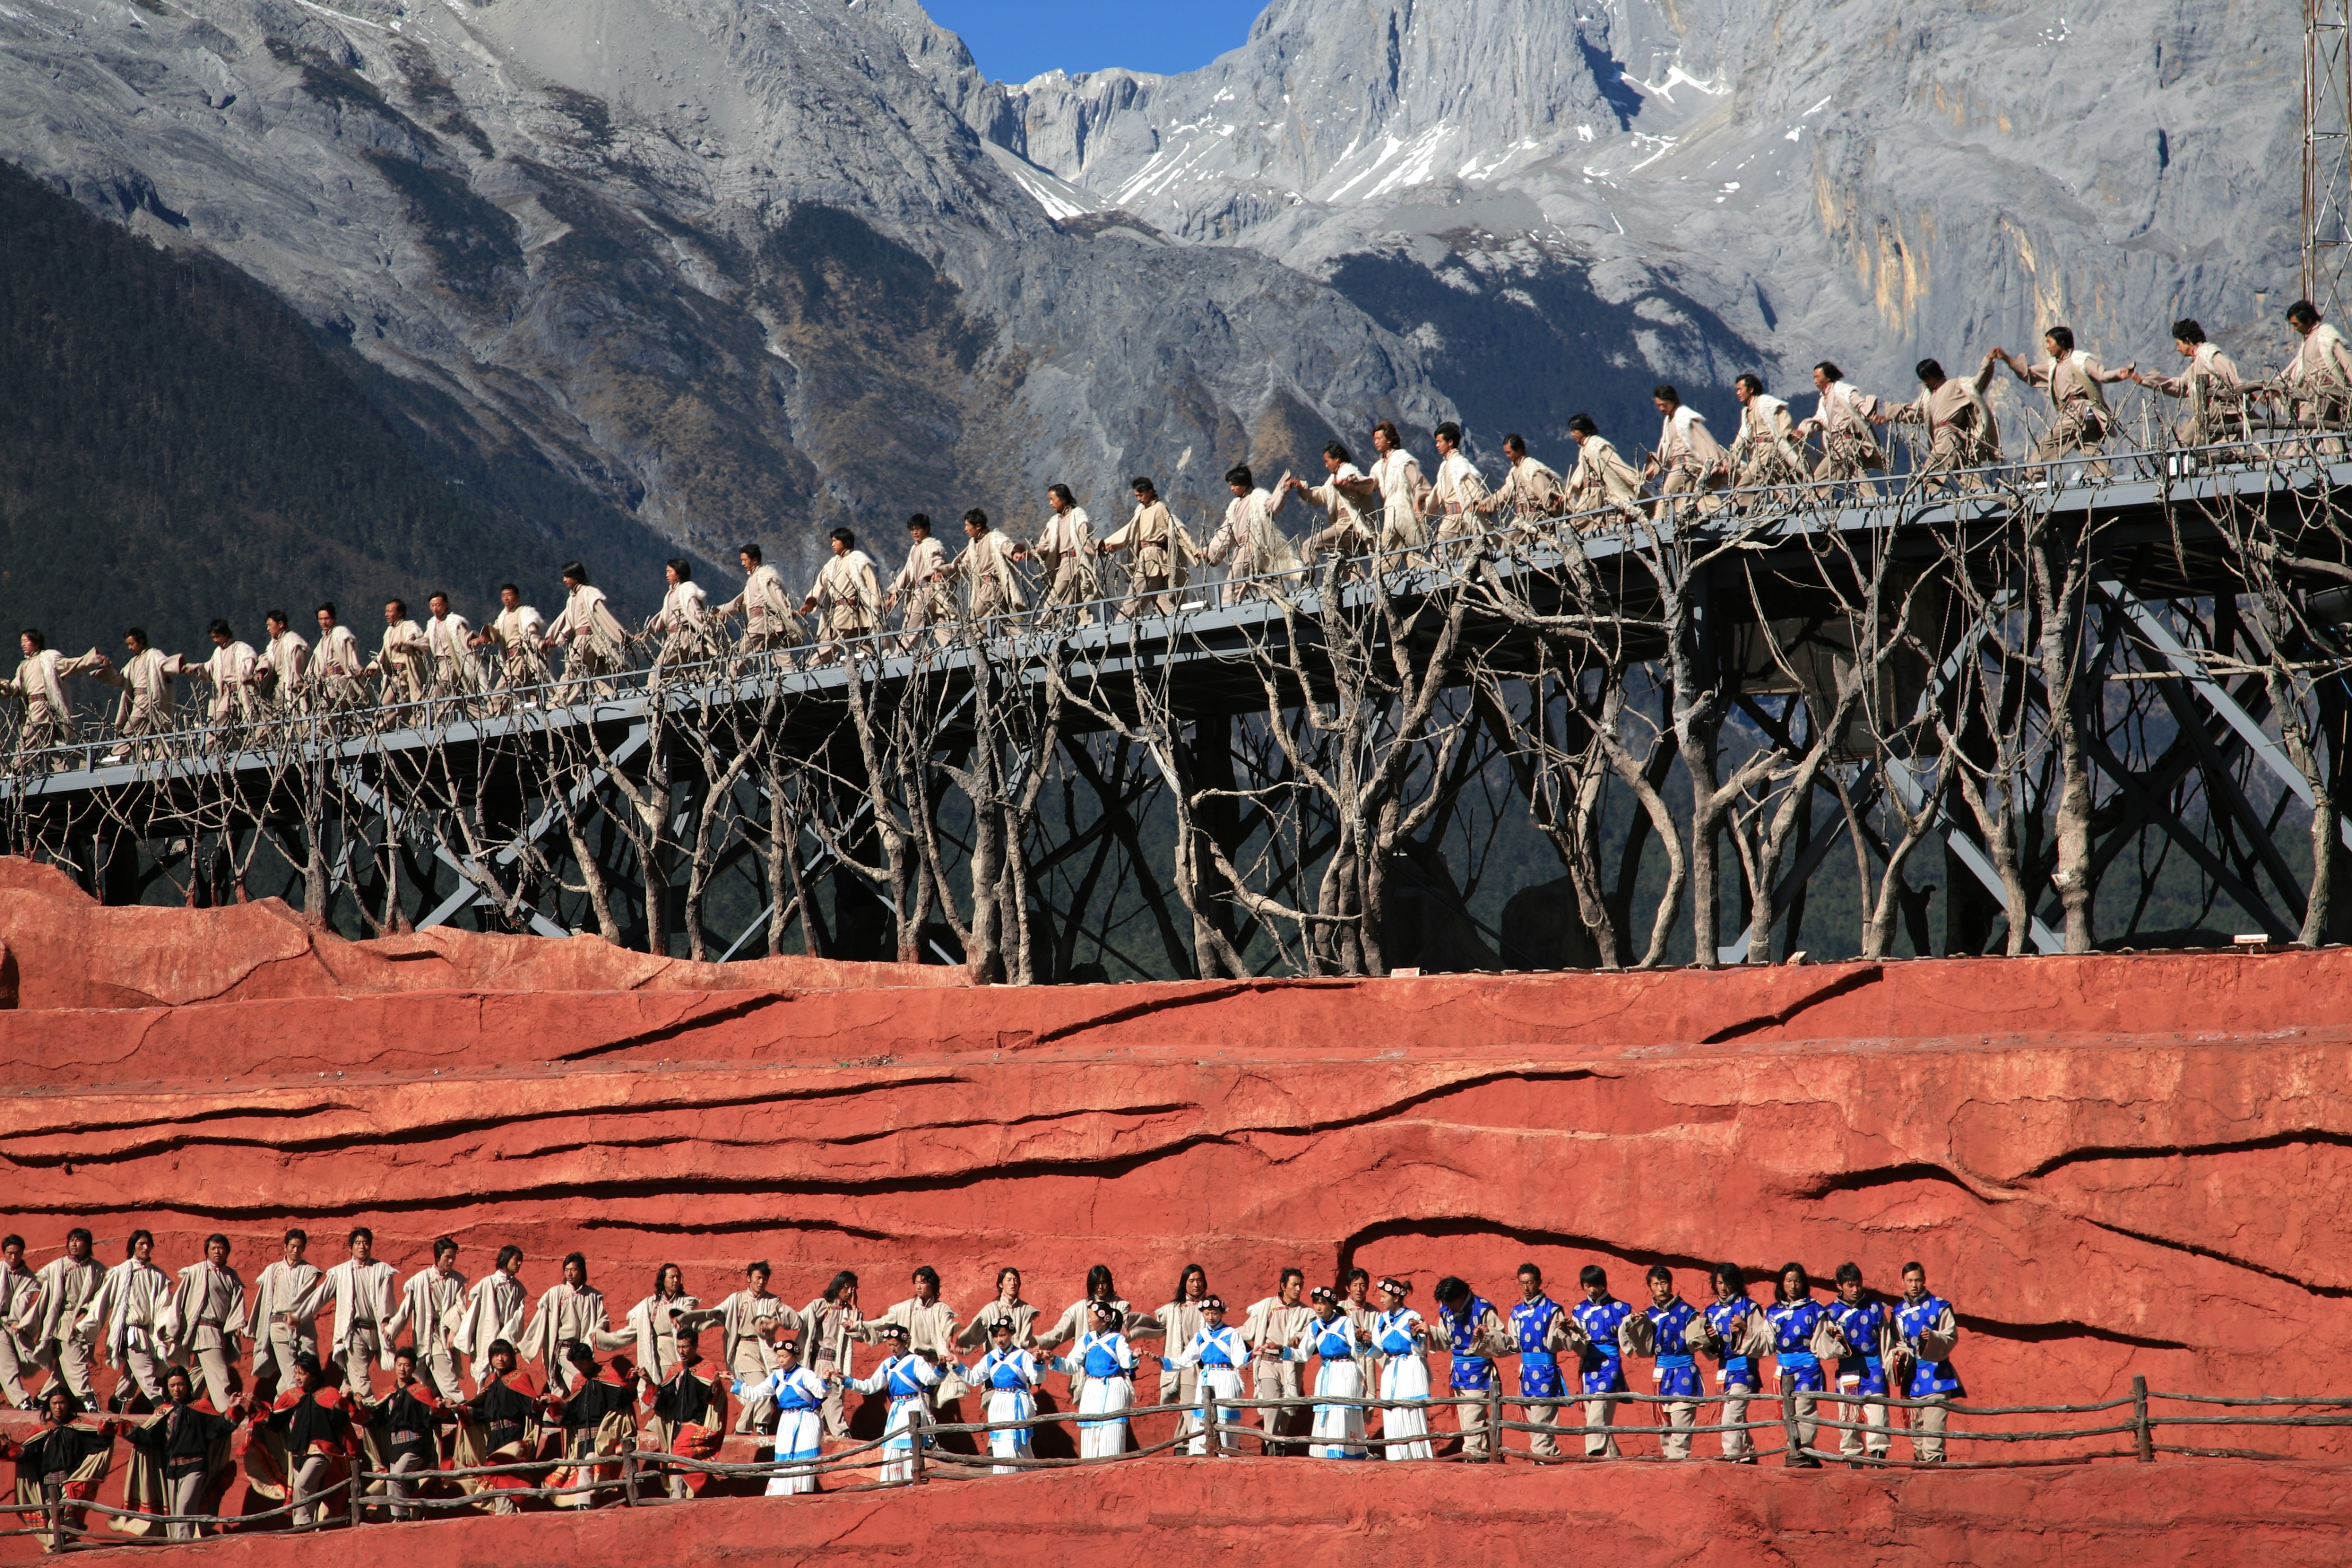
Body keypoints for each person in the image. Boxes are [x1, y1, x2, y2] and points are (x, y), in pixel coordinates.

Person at [1989, 327, 2134, 475]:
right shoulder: (2054, 366)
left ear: (2062, 342)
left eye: (2049, 342)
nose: (2047, 347)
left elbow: (2102, 375)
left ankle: (2033, 479)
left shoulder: (2079, 361)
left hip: (2077, 413)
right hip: (2080, 415)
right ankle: (2109, 479)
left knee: (2048, 446)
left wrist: (2119, 374)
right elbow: (2029, 374)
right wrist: (2006, 358)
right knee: (2090, 451)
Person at [116, 1365, 235, 1539]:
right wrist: (121, 1428)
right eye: (172, 1386)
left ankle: (183, 1546)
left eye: (180, 1384)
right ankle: (178, 1544)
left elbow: (219, 1428)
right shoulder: (164, 1411)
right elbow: (150, 1439)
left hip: (195, 1467)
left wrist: (233, 1410)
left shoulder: (201, 1407)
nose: (177, 1389)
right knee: (174, 1514)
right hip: (171, 1469)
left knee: (185, 1509)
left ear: (187, 1385)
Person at [5, 1388, 123, 1551]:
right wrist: (9, 1448)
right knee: (53, 1515)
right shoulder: (42, 1429)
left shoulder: (81, 1425)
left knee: (68, 1513)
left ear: (69, 1404)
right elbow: (28, 1454)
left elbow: (98, 1444)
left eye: (62, 1403)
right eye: (54, 1403)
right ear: (49, 1406)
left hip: (74, 1478)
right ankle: (59, 1549)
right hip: (49, 1483)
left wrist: (106, 1433)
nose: (58, 1407)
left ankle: (59, 1546)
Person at [78, 1229, 172, 1411]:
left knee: (132, 1374)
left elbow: (164, 1305)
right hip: (131, 1333)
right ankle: (161, 1405)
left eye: (148, 1244)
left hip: (148, 1332)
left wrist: (165, 1328)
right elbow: (102, 1300)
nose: (145, 1247)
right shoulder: (121, 1272)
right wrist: (87, 1323)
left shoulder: (158, 1275)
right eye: (141, 1244)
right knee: (146, 1371)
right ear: (133, 1247)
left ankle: (117, 1401)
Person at [302, 1226, 397, 1400]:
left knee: (351, 1378)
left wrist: (386, 1321)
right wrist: (299, 1314)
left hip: (375, 1332)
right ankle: (369, 1408)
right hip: (353, 1332)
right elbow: (320, 1296)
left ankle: (341, 1405)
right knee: (360, 1377)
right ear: (350, 1248)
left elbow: (387, 1300)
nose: (362, 1246)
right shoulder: (340, 1272)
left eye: (366, 1243)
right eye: (358, 1243)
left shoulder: (382, 1270)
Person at [1877, 358, 2001, 487]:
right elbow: (1914, 412)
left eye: (1926, 379)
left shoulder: (1956, 385)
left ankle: (1922, 498)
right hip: (1947, 438)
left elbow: (1977, 383)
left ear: (1934, 375)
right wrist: (1888, 416)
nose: (1925, 383)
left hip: (1949, 437)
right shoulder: (1929, 397)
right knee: (1968, 476)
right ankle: (1992, 497)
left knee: (1928, 478)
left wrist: (1987, 363)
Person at [355, 1347, 447, 1521]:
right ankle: (407, 1518)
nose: (402, 1369)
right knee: (398, 1484)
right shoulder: (387, 1393)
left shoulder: (422, 1391)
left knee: (394, 1479)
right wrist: (360, 1406)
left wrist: (437, 1407)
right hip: (395, 1448)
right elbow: (376, 1420)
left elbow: (430, 1418)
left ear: (413, 1368)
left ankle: (401, 1518)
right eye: (399, 1364)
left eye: (407, 1365)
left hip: (415, 1446)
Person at [265, 1353, 355, 1529]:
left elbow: (339, 1422)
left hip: (321, 1451)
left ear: (313, 1374)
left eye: (303, 1373)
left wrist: (345, 1402)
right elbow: (275, 1423)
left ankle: (302, 1524)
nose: (298, 1377)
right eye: (296, 1373)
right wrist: (255, 1407)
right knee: (308, 1492)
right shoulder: (292, 1396)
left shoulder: (330, 1394)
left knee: (302, 1485)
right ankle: (312, 1529)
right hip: (298, 1452)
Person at [844, 1323, 941, 1483]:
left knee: (911, 1447)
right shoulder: (887, 1364)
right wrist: (846, 1381)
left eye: (895, 1344)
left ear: (905, 1342)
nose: (893, 1348)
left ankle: (911, 1481)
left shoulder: (916, 1361)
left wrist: (941, 1368)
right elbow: (870, 1386)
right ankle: (894, 1484)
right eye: (889, 1345)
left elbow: (930, 1379)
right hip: (897, 1410)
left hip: (913, 1406)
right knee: (893, 1447)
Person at [451, 1338, 539, 1515]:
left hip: (513, 1435)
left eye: (504, 1354)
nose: (500, 1359)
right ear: (491, 1358)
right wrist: (461, 1409)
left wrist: (539, 1405)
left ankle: (506, 1515)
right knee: (498, 1479)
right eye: (496, 1355)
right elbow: (484, 1413)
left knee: (501, 1473)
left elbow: (530, 1406)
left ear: (511, 1357)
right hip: (495, 1437)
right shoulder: (490, 1382)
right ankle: (508, 1515)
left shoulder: (520, 1378)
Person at [543, 1342, 636, 1509]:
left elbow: (621, 1399)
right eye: (575, 1365)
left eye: (581, 1363)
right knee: (584, 1467)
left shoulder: (608, 1375)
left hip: (603, 1433)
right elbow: (572, 1411)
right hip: (582, 1436)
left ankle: (582, 1503)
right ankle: (589, 1503)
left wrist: (631, 1381)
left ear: (589, 1359)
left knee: (589, 1466)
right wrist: (554, 1403)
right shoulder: (578, 1381)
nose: (578, 1368)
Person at [1032, 1264, 1134, 1415]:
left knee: (1114, 1422)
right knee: (1091, 1422)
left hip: (1114, 1379)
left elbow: (1123, 1332)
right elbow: (1059, 1332)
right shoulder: (1079, 1309)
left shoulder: (1121, 1306)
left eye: (1104, 1283)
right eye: (1097, 1283)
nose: (1100, 1287)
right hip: (1088, 1378)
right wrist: (1036, 1344)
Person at [163, 1233, 246, 1415]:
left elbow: (237, 1304)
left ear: (227, 1251)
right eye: (213, 1248)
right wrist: (173, 1328)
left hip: (219, 1332)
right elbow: (179, 1301)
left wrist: (238, 1323)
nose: (217, 1252)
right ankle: (227, 1414)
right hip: (204, 1331)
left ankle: (174, 1410)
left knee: (196, 1378)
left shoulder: (232, 1276)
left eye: (221, 1248)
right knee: (220, 1376)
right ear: (207, 1251)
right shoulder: (196, 1272)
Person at [641, 1325, 728, 1499]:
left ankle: (677, 1500)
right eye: (679, 1347)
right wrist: (648, 1382)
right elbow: (665, 1401)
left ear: (695, 1346)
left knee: (680, 1458)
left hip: (695, 1426)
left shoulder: (708, 1368)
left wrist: (716, 1385)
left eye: (686, 1347)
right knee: (678, 1463)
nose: (681, 1351)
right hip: (677, 1428)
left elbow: (713, 1400)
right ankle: (682, 1500)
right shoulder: (676, 1369)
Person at [1890, 1261, 1964, 1464]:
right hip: (1912, 1379)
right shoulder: (1897, 1312)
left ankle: (1936, 1470)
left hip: (1937, 1377)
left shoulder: (1940, 1306)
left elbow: (1950, 1336)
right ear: (1903, 1282)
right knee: (1917, 1439)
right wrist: (1900, 1356)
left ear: (1924, 1280)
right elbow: (1897, 1343)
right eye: (1909, 1281)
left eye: (1918, 1280)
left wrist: (1933, 1337)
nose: (1914, 1285)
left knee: (1933, 1435)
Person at [2134, 319, 2245, 452]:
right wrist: (2146, 381)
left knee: (2181, 447)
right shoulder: (2196, 363)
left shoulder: (2208, 355)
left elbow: (2231, 375)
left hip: (2215, 412)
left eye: (2179, 344)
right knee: (2208, 450)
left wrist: (2245, 393)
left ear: (2187, 340)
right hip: (2212, 414)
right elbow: (2182, 387)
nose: (2178, 349)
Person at [862, 1265, 964, 1411]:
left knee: (925, 1403)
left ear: (932, 1284)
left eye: (923, 1282)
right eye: (916, 1283)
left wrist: (949, 1339)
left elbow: (947, 1326)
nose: (918, 1286)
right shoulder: (904, 1308)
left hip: (930, 1364)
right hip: (910, 1363)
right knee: (905, 1400)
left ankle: (924, 1426)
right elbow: (884, 1322)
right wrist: (860, 1326)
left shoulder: (941, 1309)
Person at [713, 1260, 794, 1434]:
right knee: (762, 1385)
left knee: (761, 1389)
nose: (761, 1282)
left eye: (764, 1279)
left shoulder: (773, 1301)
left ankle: (742, 1428)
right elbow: (716, 1314)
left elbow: (790, 1319)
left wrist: (776, 1323)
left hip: (766, 1349)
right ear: (749, 1278)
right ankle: (761, 1423)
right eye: (758, 1278)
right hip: (745, 1349)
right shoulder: (737, 1299)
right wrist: (690, 1320)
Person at [1431, 1275, 1507, 1459]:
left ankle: (1474, 1458)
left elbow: (1502, 1342)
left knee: (1474, 1423)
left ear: (1461, 1296)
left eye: (1451, 1304)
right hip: (1459, 1374)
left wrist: (1486, 1335)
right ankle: (1480, 1457)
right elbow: (1445, 1339)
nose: (1449, 1308)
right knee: (1467, 1424)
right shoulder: (1446, 1311)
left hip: (1479, 1374)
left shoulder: (1483, 1310)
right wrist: (1427, 1331)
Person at [1287, 1287, 1368, 1459]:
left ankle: (1344, 1453)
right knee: (1326, 1409)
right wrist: (1283, 1351)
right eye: (1316, 1303)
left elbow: (1357, 1352)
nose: (1318, 1307)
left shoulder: (1345, 1322)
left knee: (1342, 1409)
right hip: (1327, 1372)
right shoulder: (1314, 1326)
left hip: (1346, 1370)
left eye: (1322, 1303)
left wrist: (1360, 1341)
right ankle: (1324, 1453)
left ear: (1332, 1305)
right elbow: (1303, 1354)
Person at [1766, 1261, 1833, 1467]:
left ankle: (1804, 1451)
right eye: (1789, 1281)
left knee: (1804, 1410)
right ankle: (1795, 1450)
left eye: (1797, 1281)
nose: (1793, 1286)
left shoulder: (1815, 1309)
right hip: (1784, 1370)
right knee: (1788, 1411)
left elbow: (1823, 1340)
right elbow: (1766, 1342)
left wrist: (1834, 1337)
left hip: (1807, 1368)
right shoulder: (1772, 1312)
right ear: (1782, 1283)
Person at [1633, 1266, 1703, 1460]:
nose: (1661, 1288)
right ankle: (1669, 1462)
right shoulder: (1648, 1315)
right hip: (1662, 1373)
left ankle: (1677, 1461)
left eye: (1664, 1283)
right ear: (1650, 1287)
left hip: (1684, 1370)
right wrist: (1635, 1325)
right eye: (1656, 1284)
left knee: (1682, 1420)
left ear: (1670, 1284)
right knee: (1664, 1425)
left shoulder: (1688, 1312)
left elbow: (1700, 1341)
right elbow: (1643, 1348)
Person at [384, 1236, 467, 1401]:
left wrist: (453, 1332)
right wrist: (391, 1329)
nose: (451, 1261)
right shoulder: (420, 1280)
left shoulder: (457, 1280)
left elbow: (461, 1308)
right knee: (425, 1382)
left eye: (453, 1257)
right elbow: (406, 1308)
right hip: (424, 1334)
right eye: (447, 1257)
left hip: (443, 1336)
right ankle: (431, 1413)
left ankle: (460, 1410)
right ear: (437, 1256)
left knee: (446, 1379)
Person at [1699, 1261, 1767, 1462]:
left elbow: (1763, 1341)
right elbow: (1712, 1352)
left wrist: (1745, 1328)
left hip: (1745, 1368)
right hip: (1724, 1371)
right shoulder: (1710, 1312)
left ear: (1736, 1282)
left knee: (1731, 1414)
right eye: (1720, 1282)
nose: (1723, 1287)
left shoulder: (1749, 1307)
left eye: (1727, 1282)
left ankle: (1732, 1455)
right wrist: (1710, 1339)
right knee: (1737, 1415)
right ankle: (1748, 1453)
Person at [518, 1253, 609, 1399]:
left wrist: (597, 1332)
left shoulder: (592, 1296)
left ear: (582, 1271)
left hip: (581, 1349)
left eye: (573, 1270)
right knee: (581, 1380)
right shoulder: (556, 1293)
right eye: (566, 1270)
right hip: (562, 1349)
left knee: (562, 1391)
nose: (569, 1274)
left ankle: (550, 1413)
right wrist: (524, 1344)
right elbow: (540, 1319)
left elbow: (602, 1319)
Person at [1829, 1263, 1894, 1467]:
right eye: (1850, 1285)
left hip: (1874, 1370)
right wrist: (1837, 1341)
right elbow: (1824, 1348)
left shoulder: (1875, 1309)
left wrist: (1890, 1366)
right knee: (1849, 1421)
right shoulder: (1830, 1313)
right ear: (1840, 1285)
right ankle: (1854, 1464)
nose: (1855, 1289)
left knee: (1878, 1416)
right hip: (1847, 1371)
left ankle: (1877, 1461)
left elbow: (1887, 1343)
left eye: (1858, 1284)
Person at [1097, 477, 1193, 615]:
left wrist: (1194, 550)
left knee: (1134, 597)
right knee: (1160, 599)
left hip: (1152, 558)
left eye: (1141, 495)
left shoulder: (1160, 508)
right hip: (1146, 557)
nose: (1139, 499)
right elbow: (1130, 531)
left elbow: (1177, 529)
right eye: (1136, 496)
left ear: (1150, 492)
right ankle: (1178, 620)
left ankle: (1120, 624)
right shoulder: (1141, 511)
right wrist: (1111, 544)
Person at [962, 1317, 1046, 1472]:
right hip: (998, 1403)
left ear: (1011, 1334)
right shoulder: (990, 1358)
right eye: (995, 1336)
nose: (999, 1340)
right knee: (1001, 1442)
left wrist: (1038, 1364)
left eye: (1003, 1335)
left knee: (1017, 1443)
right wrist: (957, 1366)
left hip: (1018, 1402)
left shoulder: (1023, 1356)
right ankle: (1003, 1475)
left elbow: (1036, 1379)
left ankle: (1022, 1474)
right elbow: (974, 1378)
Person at [1167, 1295, 1250, 1455]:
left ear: (1222, 1313)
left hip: (1226, 1377)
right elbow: (1186, 1360)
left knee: (1224, 1416)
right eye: (1207, 1314)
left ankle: (1226, 1454)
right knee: (1203, 1416)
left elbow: (1239, 1360)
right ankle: (1200, 1454)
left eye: (1214, 1313)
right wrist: (1162, 1361)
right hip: (1207, 1377)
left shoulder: (1232, 1334)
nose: (1211, 1317)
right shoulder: (1201, 1336)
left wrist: (1252, 1355)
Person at [31, 1229, 105, 1408]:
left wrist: (85, 1312)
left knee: (63, 1370)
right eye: (72, 1240)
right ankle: (89, 1401)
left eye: (78, 1240)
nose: (74, 1244)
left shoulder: (97, 1269)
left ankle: (41, 1400)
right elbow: (34, 1281)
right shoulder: (58, 1266)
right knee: (76, 1362)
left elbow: (101, 1296)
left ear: (87, 1244)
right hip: (64, 1321)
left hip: (84, 1321)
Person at [1241, 1269, 1312, 1455]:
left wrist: (1298, 1338)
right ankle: (1269, 1448)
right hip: (1268, 1363)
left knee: (1286, 1412)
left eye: (1301, 1285)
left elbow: (1309, 1334)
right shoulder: (1266, 1306)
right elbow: (1247, 1331)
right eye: (1294, 1284)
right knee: (1272, 1406)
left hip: (1291, 1366)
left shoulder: (1307, 1313)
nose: (1298, 1289)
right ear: (1283, 1286)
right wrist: (1225, 1334)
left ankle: (1279, 1450)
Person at [1793, 362, 1889, 498]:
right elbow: (1820, 420)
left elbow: (1859, 404)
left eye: (1817, 377)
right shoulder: (1825, 399)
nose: (1815, 381)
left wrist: (1871, 414)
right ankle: (1876, 501)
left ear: (1828, 377)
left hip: (1844, 443)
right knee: (1858, 476)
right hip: (1842, 444)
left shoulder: (1842, 391)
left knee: (1821, 479)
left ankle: (1814, 504)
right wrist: (1803, 430)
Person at [1505, 1263, 1570, 1459]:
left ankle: (1542, 1459)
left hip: (1545, 1371)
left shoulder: (1552, 1310)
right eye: (1522, 1283)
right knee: (1533, 1422)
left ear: (1539, 1282)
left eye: (1530, 1282)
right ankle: (1547, 1457)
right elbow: (1512, 1342)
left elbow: (1559, 1340)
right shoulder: (1516, 1312)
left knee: (1543, 1421)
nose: (1526, 1288)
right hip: (1526, 1372)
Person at [1566, 1264, 1633, 1458]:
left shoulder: (1621, 1308)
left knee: (1600, 1404)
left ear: (1604, 1284)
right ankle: (1612, 1454)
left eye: (1595, 1285)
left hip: (1609, 1362)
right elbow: (1576, 1339)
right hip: (1588, 1364)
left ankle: (1593, 1452)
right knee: (1595, 1413)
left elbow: (1631, 1337)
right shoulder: (1579, 1310)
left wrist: (1635, 1322)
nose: (1592, 1289)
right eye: (1587, 1285)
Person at [3, 631, 103, 758]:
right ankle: (72, 765)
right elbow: (15, 688)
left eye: (26, 641)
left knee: (26, 742)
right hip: (31, 708)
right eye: (22, 641)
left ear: (37, 643)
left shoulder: (48, 658)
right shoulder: (23, 666)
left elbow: (70, 664)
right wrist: (3, 686)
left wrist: (92, 658)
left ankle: (16, 768)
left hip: (43, 705)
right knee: (50, 751)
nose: (23, 644)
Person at [601, 1261, 702, 1385]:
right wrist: (606, 1339)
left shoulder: (687, 1300)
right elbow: (634, 1329)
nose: (676, 1280)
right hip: (658, 1351)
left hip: (678, 1347)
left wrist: (678, 1316)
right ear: (663, 1280)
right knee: (662, 1385)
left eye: (678, 1277)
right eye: (672, 1277)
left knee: (681, 1383)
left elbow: (686, 1313)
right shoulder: (649, 1304)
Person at [92, 628, 181, 760]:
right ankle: (164, 756)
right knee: (154, 732)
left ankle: (116, 756)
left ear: (142, 642)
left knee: (130, 729)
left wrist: (179, 665)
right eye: (128, 644)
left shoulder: (154, 655)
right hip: (137, 699)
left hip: (148, 698)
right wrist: (108, 668)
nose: (130, 648)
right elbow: (121, 679)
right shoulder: (133, 662)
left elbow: (165, 664)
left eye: (132, 644)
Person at [1063, 1300, 1136, 1459]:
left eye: (1092, 1317)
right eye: (1088, 1316)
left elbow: (1126, 1361)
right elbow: (1071, 1365)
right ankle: (1090, 1467)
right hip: (1092, 1388)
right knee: (1090, 1432)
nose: (1089, 1320)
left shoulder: (1117, 1339)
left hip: (1114, 1388)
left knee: (1112, 1430)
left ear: (1105, 1320)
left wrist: (1134, 1357)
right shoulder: (1087, 1340)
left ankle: (1112, 1467)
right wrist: (1055, 1360)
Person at [1013, 485, 1100, 620]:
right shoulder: (1054, 523)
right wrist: (1030, 554)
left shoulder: (1078, 517)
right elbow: (1044, 545)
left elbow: (1085, 539)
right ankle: (1085, 624)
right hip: (1063, 563)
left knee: (1054, 598)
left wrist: (1098, 546)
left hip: (1073, 561)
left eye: (1053, 499)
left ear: (1063, 499)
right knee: (1077, 600)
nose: (1051, 503)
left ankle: (1044, 625)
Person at [796, 1270, 864, 1440]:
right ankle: (843, 1433)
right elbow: (801, 1319)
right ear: (838, 1286)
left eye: (853, 1288)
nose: (850, 1292)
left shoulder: (850, 1312)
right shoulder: (823, 1305)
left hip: (838, 1361)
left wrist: (854, 1308)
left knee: (822, 1401)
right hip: (822, 1360)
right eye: (847, 1287)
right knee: (831, 1392)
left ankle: (820, 1437)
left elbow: (859, 1334)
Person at [544, 562, 630, 695]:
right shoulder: (572, 599)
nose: (564, 580)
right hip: (579, 640)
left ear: (576, 576)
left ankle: (558, 702)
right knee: (587, 675)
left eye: (567, 576)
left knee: (572, 670)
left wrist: (622, 636)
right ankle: (609, 695)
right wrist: (556, 641)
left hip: (586, 640)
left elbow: (603, 616)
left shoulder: (588, 593)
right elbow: (568, 623)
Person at [2274, 297, 2352, 444]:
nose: (2295, 329)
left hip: (2324, 392)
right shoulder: (2309, 341)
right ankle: (2338, 454)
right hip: (2315, 393)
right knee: (2329, 434)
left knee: (2305, 432)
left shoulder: (2325, 337)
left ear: (2308, 319)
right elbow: (2294, 367)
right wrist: (2277, 385)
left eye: (2296, 324)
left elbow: (2347, 362)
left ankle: (2292, 456)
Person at [1368, 1277, 1430, 1461]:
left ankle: (1417, 1457)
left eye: (1384, 1296)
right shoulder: (1382, 1320)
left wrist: (1415, 1336)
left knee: (1411, 1411)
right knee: (1392, 1413)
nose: (1381, 1300)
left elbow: (1421, 1351)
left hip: (1411, 1368)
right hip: (1391, 1369)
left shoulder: (1414, 1317)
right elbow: (1377, 1351)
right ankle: (1395, 1457)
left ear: (1396, 1297)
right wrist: (1366, 1343)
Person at [1643, 385, 1729, 516]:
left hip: (1685, 465)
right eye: (1659, 405)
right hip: (1680, 466)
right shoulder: (1670, 421)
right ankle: (1716, 516)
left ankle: (1659, 523)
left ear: (1673, 401)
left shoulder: (1684, 417)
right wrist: (1655, 468)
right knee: (1692, 498)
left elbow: (1706, 439)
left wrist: (1719, 460)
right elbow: (1666, 452)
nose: (1661, 409)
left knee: (1667, 494)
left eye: (1664, 405)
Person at [759, 1334, 829, 1496]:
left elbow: (821, 1391)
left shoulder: (805, 1374)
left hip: (807, 1419)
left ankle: (802, 1493)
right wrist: (734, 1383)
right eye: (778, 1356)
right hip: (787, 1419)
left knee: (804, 1459)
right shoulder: (776, 1377)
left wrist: (826, 1381)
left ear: (794, 1357)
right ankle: (779, 1494)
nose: (780, 1360)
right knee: (783, 1459)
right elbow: (757, 1393)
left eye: (784, 1356)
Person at [453, 1245, 528, 1392]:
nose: (519, 1263)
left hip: (506, 1334)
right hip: (486, 1332)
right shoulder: (489, 1283)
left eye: (521, 1260)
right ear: (505, 1259)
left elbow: (518, 1316)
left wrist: (508, 1336)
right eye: (516, 1260)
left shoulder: (518, 1288)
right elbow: (475, 1311)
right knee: (485, 1372)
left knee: (505, 1371)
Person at [715, 543, 806, 663]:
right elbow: (740, 602)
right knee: (781, 657)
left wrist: (788, 612)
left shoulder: (765, 576)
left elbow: (777, 595)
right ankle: (792, 674)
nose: (743, 564)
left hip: (760, 622)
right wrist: (721, 611)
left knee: (741, 656)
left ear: (755, 560)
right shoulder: (753, 580)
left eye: (745, 560)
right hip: (770, 623)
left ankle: (731, 675)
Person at [801, 529, 884, 655]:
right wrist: (809, 604)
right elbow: (819, 586)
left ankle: (811, 666)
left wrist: (877, 603)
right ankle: (874, 661)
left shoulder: (858, 560)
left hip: (848, 610)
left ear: (845, 542)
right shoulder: (831, 565)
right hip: (839, 611)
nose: (832, 545)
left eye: (835, 541)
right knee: (863, 645)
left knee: (827, 646)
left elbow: (873, 584)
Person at [1288, 442, 1377, 560]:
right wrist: (1302, 488)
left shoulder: (1348, 472)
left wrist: (1348, 485)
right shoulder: (1333, 479)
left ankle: (1308, 572)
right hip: (1345, 525)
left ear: (1337, 459)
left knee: (1309, 545)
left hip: (1348, 523)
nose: (1326, 466)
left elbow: (1361, 483)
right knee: (1343, 563)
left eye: (1327, 461)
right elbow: (1320, 496)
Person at [942, 509, 1028, 623]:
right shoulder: (973, 545)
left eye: (968, 525)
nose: (965, 529)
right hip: (983, 588)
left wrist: (1015, 552)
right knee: (1007, 625)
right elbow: (961, 567)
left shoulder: (994, 538)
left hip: (992, 587)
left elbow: (1007, 545)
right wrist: (942, 572)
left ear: (978, 526)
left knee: (975, 622)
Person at [1726, 374, 1807, 491]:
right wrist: (1732, 460)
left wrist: (1788, 433)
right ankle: (1797, 501)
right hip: (1759, 450)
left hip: (1768, 449)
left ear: (1751, 389)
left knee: (1747, 484)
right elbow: (1741, 438)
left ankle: (1739, 502)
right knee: (1780, 484)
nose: (1738, 393)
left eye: (1740, 389)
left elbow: (1782, 416)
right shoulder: (1747, 411)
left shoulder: (1764, 403)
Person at [1153, 1263, 1212, 1422]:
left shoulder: (1211, 1309)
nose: (1196, 1285)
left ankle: (1184, 1440)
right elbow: (1155, 1327)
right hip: (1187, 1366)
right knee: (1192, 1411)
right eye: (1191, 1281)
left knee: (1205, 1410)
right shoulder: (1174, 1310)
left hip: (1207, 1366)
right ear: (1184, 1284)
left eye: (1199, 1280)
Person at [471, 584, 550, 699]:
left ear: (517, 596)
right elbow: (495, 632)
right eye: (503, 596)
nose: (506, 599)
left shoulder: (525, 613)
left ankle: (494, 709)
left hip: (520, 658)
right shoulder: (503, 617)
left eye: (509, 595)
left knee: (500, 694)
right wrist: (482, 638)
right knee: (532, 696)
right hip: (512, 659)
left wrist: (540, 643)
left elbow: (531, 631)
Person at [1365, 420, 1432, 557]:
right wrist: (1352, 483)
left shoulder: (1402, 460)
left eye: (1379, 438)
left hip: (1405, 513)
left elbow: (1419, 483)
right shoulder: (1378, 467)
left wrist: (1418, 502)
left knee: (1410, 555)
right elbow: (1369, 484)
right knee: (1387, 558)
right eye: (1374, 439)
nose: (1376, 442)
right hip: (1390, 516)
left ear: (1389, 439)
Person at [1562, 414, 1645, 522]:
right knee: (1607, 521)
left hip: (1596, 493)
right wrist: (1568, 493)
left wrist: (1636, 478)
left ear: (1583, 429)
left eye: (1574, 431)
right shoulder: (1585, 448)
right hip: (1591, 493)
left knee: (1579, 522)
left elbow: (1616, 464)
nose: (1572, 434)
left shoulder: (1597, 446)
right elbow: (1580, 473)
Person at [885, 516, 953, 644]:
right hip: (921, 592)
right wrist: (895, 592)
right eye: (912, 529)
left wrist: (932, 573)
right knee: (937, 623)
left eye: (918, 529)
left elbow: (939, 562)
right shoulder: (915, 548)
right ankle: (954, 646)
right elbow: (906, 573)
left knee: (910, 629)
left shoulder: (931, 546)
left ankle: (899, 654)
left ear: (926, 529)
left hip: (925, 591)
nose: (914, 532)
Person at [180, 621, 261, 729]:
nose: (215, 640)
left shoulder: (241, 648)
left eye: (217, 636)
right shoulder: (218, 653)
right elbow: (209, 670)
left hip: (237, 692)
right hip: (224, 694)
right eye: (213, 637)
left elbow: (249, 664)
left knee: (218, 724)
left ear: (226, 633)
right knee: (223, 726)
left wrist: (244, 679)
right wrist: (193, 670)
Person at [1475, 432, 1565, 525]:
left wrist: (1554, 508)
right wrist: (1485, 505)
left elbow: (1545, 491)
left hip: (1535, 517)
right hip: (1523, 516)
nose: (1507, 456)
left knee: (1511, 534)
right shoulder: (1515, 472)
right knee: (1510, 534)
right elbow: (1505, 493)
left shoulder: (1531, 469)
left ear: (1518, 450)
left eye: (1509, 452)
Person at [1426, 421, 1493, 541]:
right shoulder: (1445, 465)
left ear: (1450, 442)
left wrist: (1476, 501)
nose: (1437, 445)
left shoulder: (1460, 463)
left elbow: (1474, 486)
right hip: (1452, 517)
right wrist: (1425, 510)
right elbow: (1438, 493)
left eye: (1440, 441)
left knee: (1441, 549)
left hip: (1458, 518)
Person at [0, 1236, 44, 1409]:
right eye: (10, 1253)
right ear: (4, 1253)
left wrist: (15, 1322)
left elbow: (23, 1301)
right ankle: (23, 1400)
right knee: (7, 1360)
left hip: (12, 1323)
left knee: (23, 1359)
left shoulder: (29, 1278)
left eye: (17, 1253)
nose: (13, 1257)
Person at [956, 1267, 1039, 1354]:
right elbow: (975, 1331)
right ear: (1001, 1285)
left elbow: (1025, 1340)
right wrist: (963, 1346)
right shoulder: (990, 1310)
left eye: (1015, 1280)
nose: (1013, 1283)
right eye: (1009, 1280)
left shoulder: (1026, 1310)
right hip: (996, 1359)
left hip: (1018, 1360)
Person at [365, 598, 431, 710]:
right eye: (386, 611)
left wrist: (404, 646)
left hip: (407, 674)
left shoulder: (410, 626)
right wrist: (373, 667)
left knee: (392, 706)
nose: (386, 614)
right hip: (394, 676)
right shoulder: (389, 632)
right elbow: (383, 654)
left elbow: (420, 643)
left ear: (400, 613)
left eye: (390, 611)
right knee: (394, 708)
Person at [647, 560, 713, 670]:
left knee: (657, 672)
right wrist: (647, 633)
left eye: (670, 571)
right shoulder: (671, 593)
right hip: (675, 637)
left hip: (682, 637)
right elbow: (663, 617)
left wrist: (706, 617)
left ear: (680, 572)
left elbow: (695, 610)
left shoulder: (686, 589)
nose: (667, 575)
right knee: (692, 673)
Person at [421, 592, 480, 699]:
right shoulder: (432, 624)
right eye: (432, 606)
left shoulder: (454, 622)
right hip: (439, 664)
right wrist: (409, 645)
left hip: (451, 662)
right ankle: (480, 711)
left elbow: (465, 637)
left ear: (446, 605)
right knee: (460, 699)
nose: (435, 609)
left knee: (435, 696)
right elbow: (425, 641)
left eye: (438, 605)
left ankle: (429, 711)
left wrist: (474, 639)